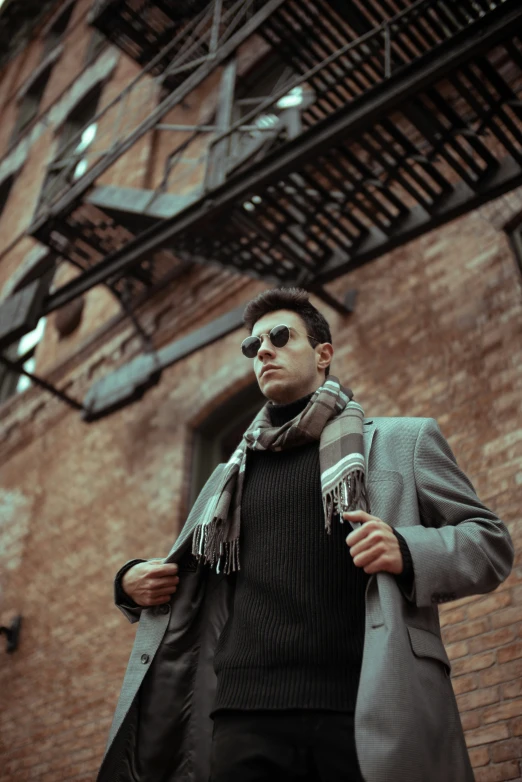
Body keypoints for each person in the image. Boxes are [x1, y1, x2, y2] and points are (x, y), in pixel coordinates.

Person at [97, 288, 514, 782]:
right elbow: (187, 577)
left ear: (323, 354)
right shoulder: (227, 477)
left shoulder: (404, 441)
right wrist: (127, 583)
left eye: (278, 336)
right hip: (242, 717)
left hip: (364, 707)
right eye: (253, 346)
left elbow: (490, 542)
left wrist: (407, 549)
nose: (264, 351)